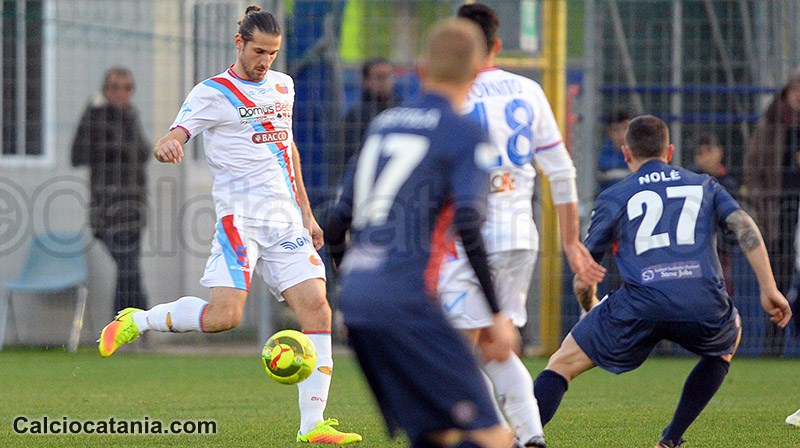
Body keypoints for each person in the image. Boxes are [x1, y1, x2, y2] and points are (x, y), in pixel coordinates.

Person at [96, 6, 361, 445]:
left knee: (318, 309)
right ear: (239, 43)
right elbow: (175, 134)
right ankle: (139, 320)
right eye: (258, 52)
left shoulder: (283, 85)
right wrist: (167, 145)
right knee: (224, 317)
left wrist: (307, 214)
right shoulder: (212, 92)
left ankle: (312, 426)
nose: (265, 61)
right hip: (241, 221)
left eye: (272, 53)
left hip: (285, 220)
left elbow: (288, 149)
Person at [533, 115, 792, 448]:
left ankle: (523, 438)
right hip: (701, 300)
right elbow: (744, 226)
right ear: (669, 152)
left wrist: (590, 306)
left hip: (639, 303)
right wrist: (769, 287)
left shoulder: (614, 195)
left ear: (626, 153)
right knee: (727, 341)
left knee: (561, 364)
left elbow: (585, 275)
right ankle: (670, 439)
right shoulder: (705, 185)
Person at [325, 17, 519, 448]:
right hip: (406, 301)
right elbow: (468, 222)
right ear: (477, 73)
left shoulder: (384, 124)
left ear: (420, 71)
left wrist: (348, 282)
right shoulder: (464, 133)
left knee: (435, 435)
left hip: (358, 301)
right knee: (493, 438)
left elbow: (336, 222)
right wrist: (496, 314)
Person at [436, 4, 605, 447]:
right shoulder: (528, 90)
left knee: (453, 350)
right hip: (520, 237)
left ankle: (492, 435)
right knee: (495, 345)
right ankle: (531, 436)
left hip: (470, 239)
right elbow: (561, 169)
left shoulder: (453, 92)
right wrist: (571, 242)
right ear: (497, 44)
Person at [71, 66, 150, 316]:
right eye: (114, 88)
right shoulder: (96, 118)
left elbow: (143, 153)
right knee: (129, 269)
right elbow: (77, 156)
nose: (120, 93)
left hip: (134, 211)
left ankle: (133, 325)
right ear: (105, 91)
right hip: (108, 213)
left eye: (127, 88)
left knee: (129, 271)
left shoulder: (131, 117)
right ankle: (138, 322)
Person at [744, 70, 800, 356]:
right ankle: (773, 345)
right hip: (780, 214)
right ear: (788, 93)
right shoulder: (769, 125)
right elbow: (753, 169)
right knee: (778, 279)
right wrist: (762, 203)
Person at [691, 133, 739, 295]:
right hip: (697, 248)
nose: (705, 157)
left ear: (720, 151)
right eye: (700, 153)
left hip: (722, 248)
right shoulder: (692, 182)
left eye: (709, 151)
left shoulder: (730, 182)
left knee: (723, 286)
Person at [342, 57, 400, 164]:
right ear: (366, 81)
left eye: (388, 76)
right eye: (379, 77)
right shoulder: (356, 115)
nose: (385, 81)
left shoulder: (402, 109)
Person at [597, 107, 632, 193]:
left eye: (626, 128)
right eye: (616, 130)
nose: (622, 135)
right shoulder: (602, 157)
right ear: (609, 133)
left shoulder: (642, 153)